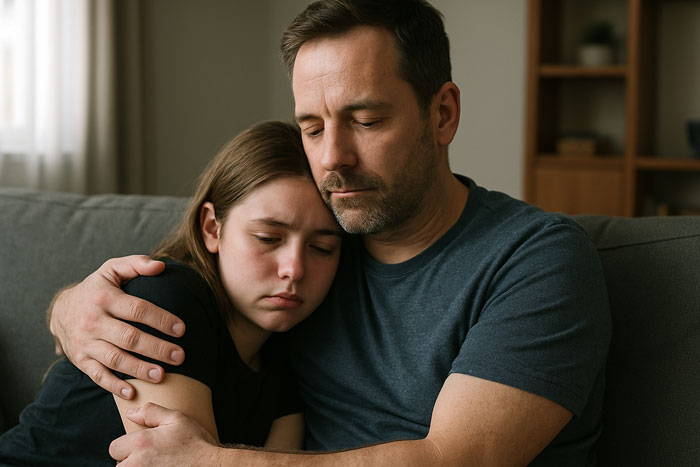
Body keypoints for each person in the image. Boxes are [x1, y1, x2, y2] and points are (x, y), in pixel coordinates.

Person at [48, 0, 612, 465]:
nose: (333, 158)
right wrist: (69, 309)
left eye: (366, 121)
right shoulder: (320, 250)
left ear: (442, 114)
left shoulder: (536, 258)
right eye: (312, 128)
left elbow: (455, 459)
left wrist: (213, 463)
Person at [0, 121, 343, 466]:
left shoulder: (289, 353)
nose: (294, 269)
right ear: (212, 228)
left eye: (323, 247)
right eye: (268, 238)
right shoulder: (165, 298)